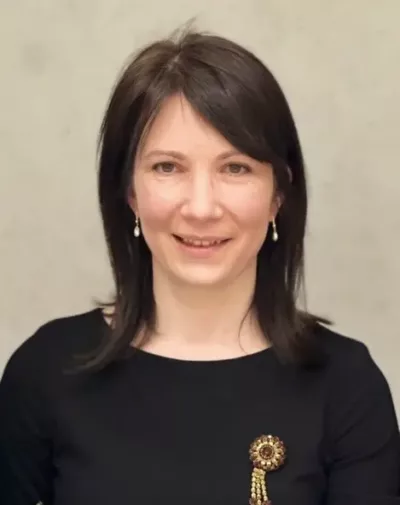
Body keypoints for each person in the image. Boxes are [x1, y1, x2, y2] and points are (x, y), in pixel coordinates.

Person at [0, 27, 399, 505]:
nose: (202, 207)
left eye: (235, 168)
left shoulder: (347, 386)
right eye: (168, 167)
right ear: (130, 192)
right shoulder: (46, 371)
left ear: (278, 194)